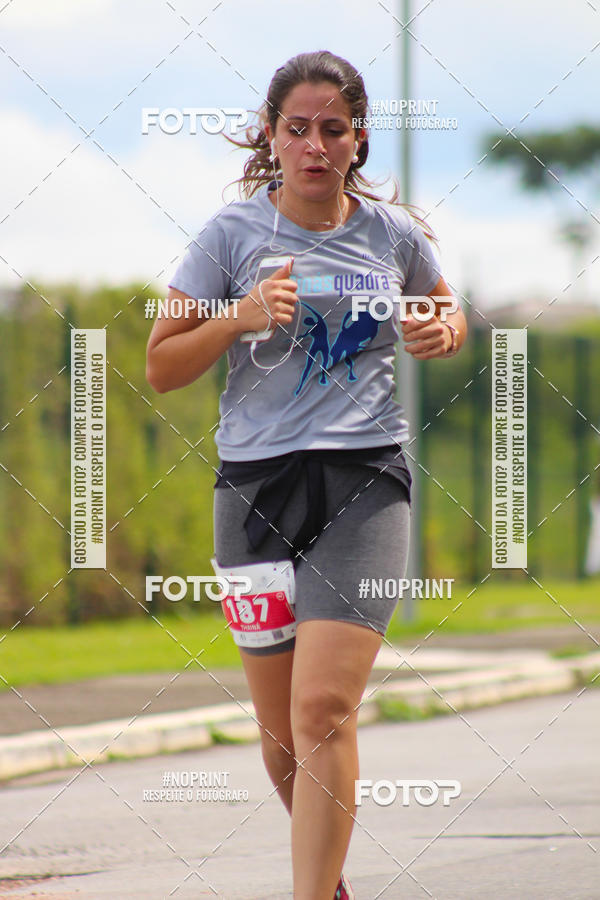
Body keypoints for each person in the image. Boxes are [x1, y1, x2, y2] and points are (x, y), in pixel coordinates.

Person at [146, 50, 467, 900]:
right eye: (298, 129)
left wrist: (445, 330)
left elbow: (443, 308)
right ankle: (330, 888)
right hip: (255, 492)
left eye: (333, 129)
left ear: (357, 140)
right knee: (283, 734)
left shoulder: (390, 234)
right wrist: (237, 317)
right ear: (272, 137)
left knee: (323, 709)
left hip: (366, 479)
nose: (315, 145)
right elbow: (163, 365)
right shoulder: (231, 236)